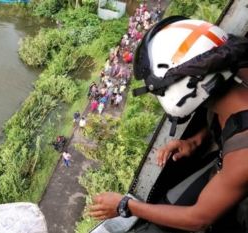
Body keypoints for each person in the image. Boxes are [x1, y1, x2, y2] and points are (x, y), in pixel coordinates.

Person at [87, 16, 248, 232]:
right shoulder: (240, 77)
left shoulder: (243, 157)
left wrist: (126, 205)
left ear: (187, 85)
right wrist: (195, 140)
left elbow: (198, 218)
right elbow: (233, 119)